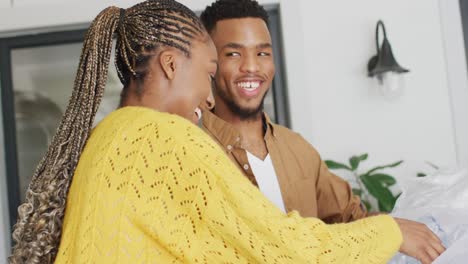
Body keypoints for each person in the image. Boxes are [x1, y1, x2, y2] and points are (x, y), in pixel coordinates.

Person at [7, 0, 429, 263]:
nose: (208, 98)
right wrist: (391, 231)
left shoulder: (109, 136)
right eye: (209, 72)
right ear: (172, 65)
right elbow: (279, 249)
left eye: (263, 52)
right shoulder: (169, 138)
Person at [200, 0, 445, 262]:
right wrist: (388, 231)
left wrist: (424, 225)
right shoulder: (192, 150)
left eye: (262, 53)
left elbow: (352, 221)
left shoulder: (298, 148)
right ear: (209, 64)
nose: (251, 67)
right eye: (233, 54)